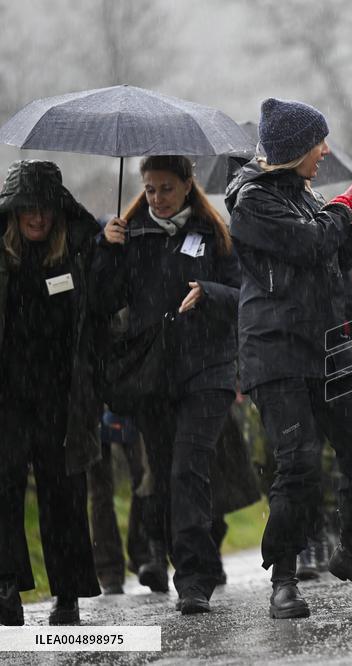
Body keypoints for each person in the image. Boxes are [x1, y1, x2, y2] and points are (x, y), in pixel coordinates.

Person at [225, 97, 352, 619]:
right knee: (297, 464)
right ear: (293, 147)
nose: (325, 150)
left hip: (327, 345)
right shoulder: (251, 200)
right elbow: (310, 244)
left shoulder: (301, 194)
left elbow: (330, 260)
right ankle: (283, 576)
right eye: (318, 141)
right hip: (275, 351)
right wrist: (345, 211)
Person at [93, 155, 240, 614]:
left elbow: (242, 295)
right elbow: (101, 301)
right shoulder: (129, 233)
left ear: (187, 184)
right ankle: (187, 554)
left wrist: (209, 293)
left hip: (207, 371)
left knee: (187, 468)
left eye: (166, 189)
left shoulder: (213, 233)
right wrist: (106, 249)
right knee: (165, 473)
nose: (157, 198)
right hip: (152, 378)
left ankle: (194, 578)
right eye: (150, 189)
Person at [0, 160, 102, 625]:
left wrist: (107, 245)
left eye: (44, 208)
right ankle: (5, 588)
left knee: (63, 494)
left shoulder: (79, 253)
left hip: (62, 397)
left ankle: (67, 593)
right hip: (7, 397)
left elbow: (102, 311)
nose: (36, 218)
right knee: (4, 490)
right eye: (27, 209)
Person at [87, 409, 152, 595]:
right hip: (96, 403)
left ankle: (141, 554)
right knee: (101, 493)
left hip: (127, 398)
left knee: (142, 479)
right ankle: (110, 570)